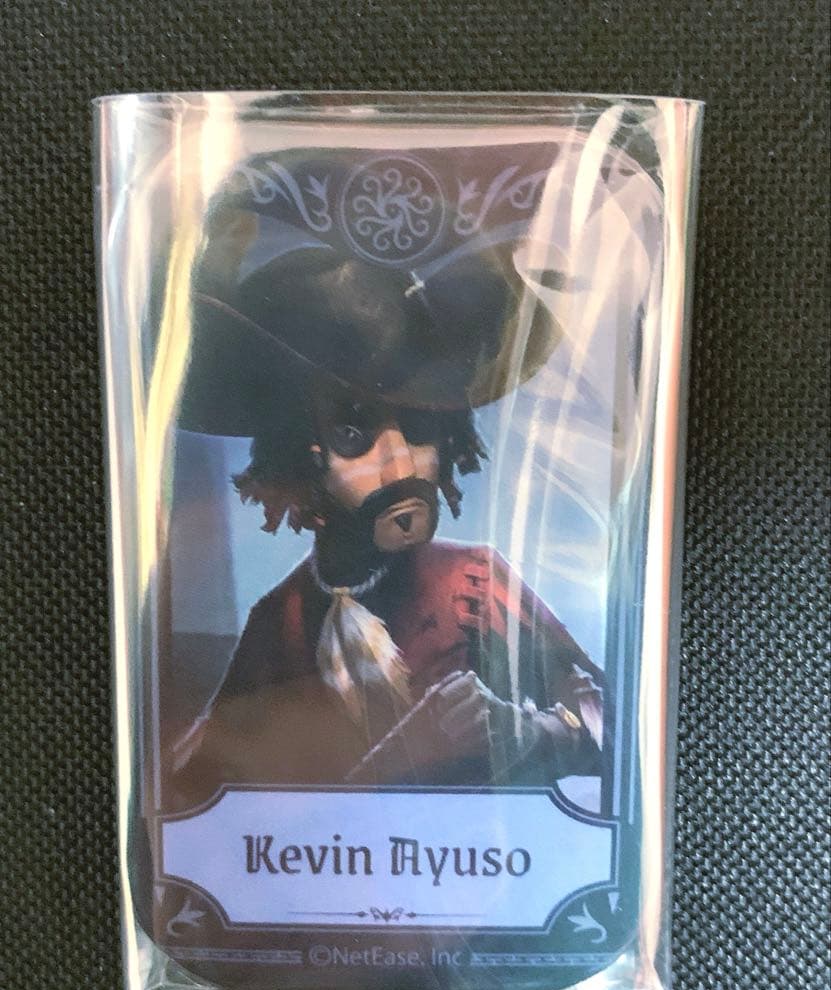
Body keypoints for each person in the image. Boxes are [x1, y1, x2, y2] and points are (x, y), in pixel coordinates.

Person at [171, 147, 605, 806]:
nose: (401, 465)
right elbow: (196, 785)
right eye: (355, 434)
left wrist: (531, 733)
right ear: (301, 456)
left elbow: (609, 724)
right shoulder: (277, 622)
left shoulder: (473, 583)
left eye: (421, 429)